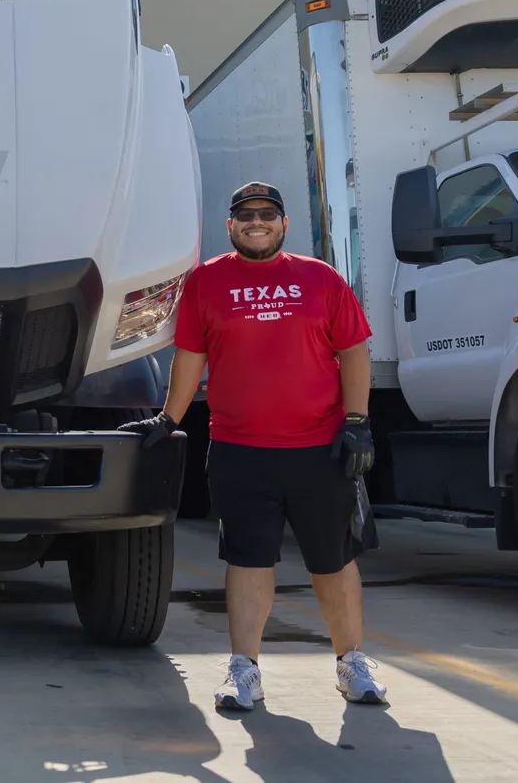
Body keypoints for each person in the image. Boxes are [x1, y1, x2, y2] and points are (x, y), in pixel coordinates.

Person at [130, 181, 387, 710]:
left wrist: (357, 422)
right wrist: (168, 417)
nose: (256, 221)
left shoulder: (319, 278)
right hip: (239, 450)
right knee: (248, 559)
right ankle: (244, 670)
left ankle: (352, 662)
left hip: (320, 449)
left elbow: (355, 350)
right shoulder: (206, 282)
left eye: (267, 214)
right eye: (245, 214)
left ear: (283, 224)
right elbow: (190, 358)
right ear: (230, 225)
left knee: (333, 561)